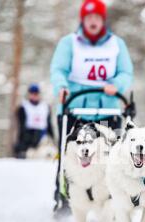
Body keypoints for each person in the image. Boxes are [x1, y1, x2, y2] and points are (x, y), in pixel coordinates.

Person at [50, 0, 134, 210]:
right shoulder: (69, 43)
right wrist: (61, 87)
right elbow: (58, 70)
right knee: (71, 159)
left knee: (110, 161)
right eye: (89, 18)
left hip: (107, 110)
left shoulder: (117, 44)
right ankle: (65, 201)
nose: (93, 21)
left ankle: (110, 204)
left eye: (97, 17)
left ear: (103, 20)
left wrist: (117, 85)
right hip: (74, 110)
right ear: (83, 20)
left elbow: (126, 72)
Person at [14, 84, 54, 159]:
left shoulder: (45, 106)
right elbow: (21, 126)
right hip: (27, 136)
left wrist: (53, 138)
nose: (34, 95)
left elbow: (49, 124)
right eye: (32, 93)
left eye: (36, 93)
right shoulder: (23, 107)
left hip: (42, 136)